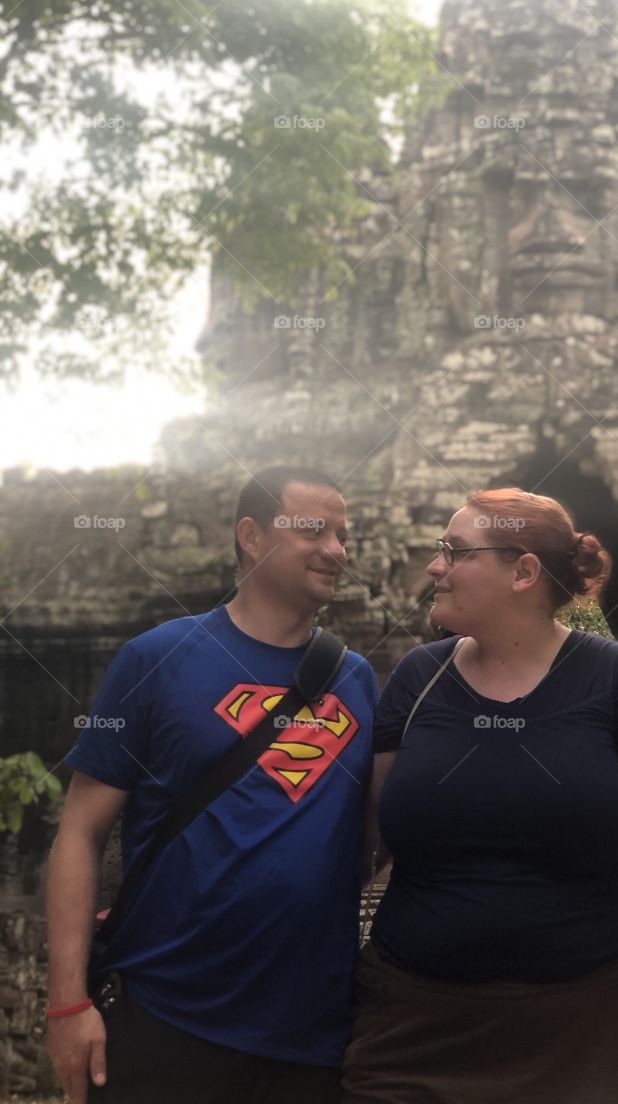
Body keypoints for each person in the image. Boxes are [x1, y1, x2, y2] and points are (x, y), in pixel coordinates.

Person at [342, 487, 618, 1104]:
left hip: (587, 1020)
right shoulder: (417, 679)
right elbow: (362, 844)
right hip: (411, 1022)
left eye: (455, 551)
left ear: (524, 572)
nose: (435, 566)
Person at [46, 466, 379, 1104]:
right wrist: (67, 1003)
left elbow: (365, 840)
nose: (337, 551)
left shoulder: (357, 680)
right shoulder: (156, 659)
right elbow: (79, 834)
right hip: (165, 1016)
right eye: (315, 529)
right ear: (251, 536)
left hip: (312, 1035)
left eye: (344, 535)